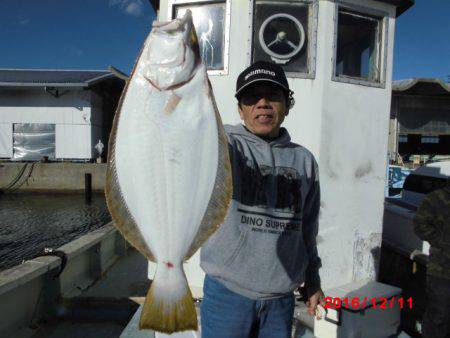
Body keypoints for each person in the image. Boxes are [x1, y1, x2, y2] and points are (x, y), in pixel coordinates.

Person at [200, 61, 324, 338]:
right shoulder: (223, 144)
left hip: (281, 298)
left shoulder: (305, 161)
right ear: (240, 108)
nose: (263, 104)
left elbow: (308, 228)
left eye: (273, 96)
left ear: (287, 105)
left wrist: (313, 279)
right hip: (226, 294)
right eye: (252, 97)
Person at [414, 180, 450, 338]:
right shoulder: (435, 199)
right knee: (438, 317)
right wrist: (443, 241)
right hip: (442, 272)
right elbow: (419, 225)